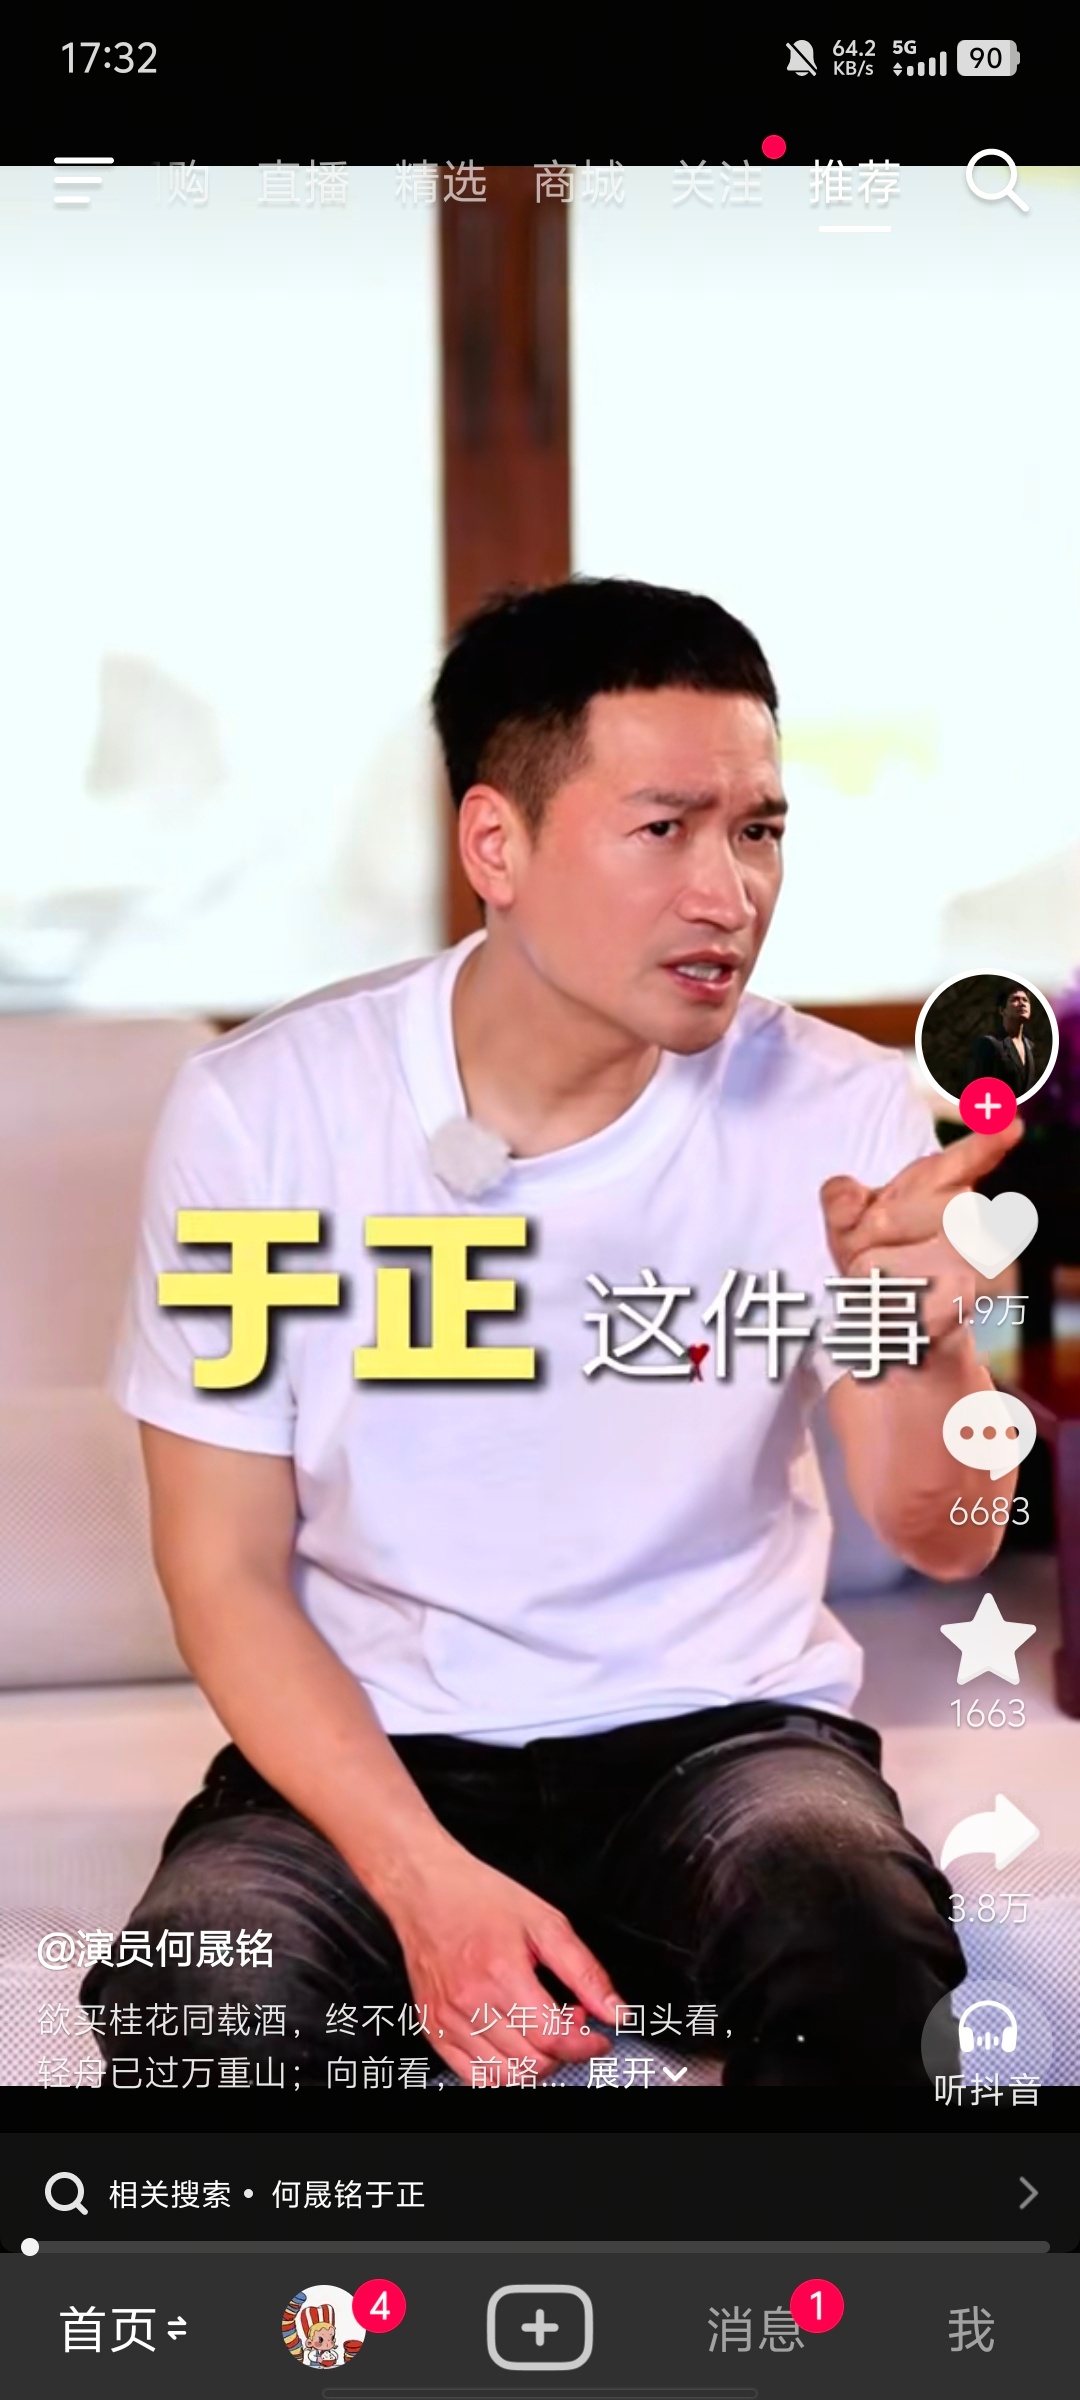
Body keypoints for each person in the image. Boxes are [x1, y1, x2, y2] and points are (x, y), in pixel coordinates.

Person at [82, 578, 1023, 2088]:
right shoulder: (267, 1111)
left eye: (759, 830)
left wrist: (922, 1339)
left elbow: (952, 1538)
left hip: (724, 1735)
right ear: (495, 845)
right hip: (371, 1750)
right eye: (664, 829)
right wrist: (426, 1888)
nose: (728, 894)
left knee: (853, 1937)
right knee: (203, 1999)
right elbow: (222, 1569)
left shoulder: (840, 1114)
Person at [968, 985, 1037, 1096]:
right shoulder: (990, 1044)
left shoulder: (1030, 1047)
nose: (1022, 1003)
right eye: (1015, 999)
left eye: (1025, 1000)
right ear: (1002, 1010)